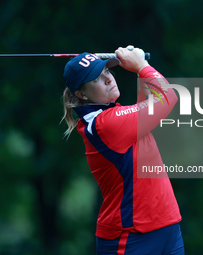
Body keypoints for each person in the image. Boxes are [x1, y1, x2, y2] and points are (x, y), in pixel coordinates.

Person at [61, 46, 184, 255]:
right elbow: (167, 97)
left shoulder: (115, 116)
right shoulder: (104, 124)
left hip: (166, 227)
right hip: (130, 237)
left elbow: (148, 102)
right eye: (96, 79)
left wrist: (140, 70)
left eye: (107, 72)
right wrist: (142, 66)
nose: (108, 79)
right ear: (81, 94)